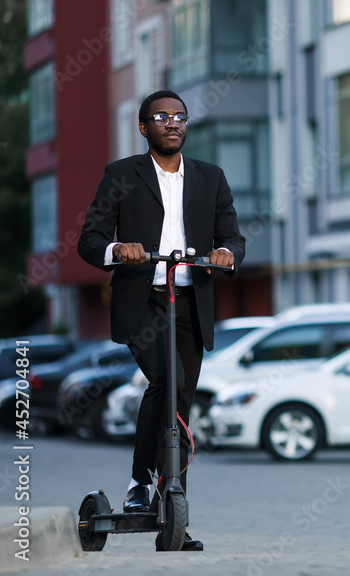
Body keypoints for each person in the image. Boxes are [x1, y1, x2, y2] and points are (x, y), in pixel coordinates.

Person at [78, 90, 245, 552]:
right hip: (143, 299)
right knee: (166, 378)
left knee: (182, 404)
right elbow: (90, 239)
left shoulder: (211, 178)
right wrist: (118, 250)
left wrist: (227, 252)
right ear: (143, 126)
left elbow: (231, 234)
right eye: (161, 116)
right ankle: (137, 484)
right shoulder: (121, 175)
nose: (172, 123)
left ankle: (174, 509)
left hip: (191, 300)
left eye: (180, 116)